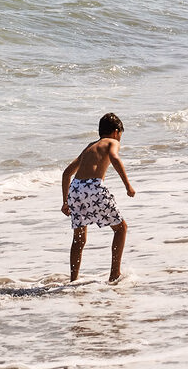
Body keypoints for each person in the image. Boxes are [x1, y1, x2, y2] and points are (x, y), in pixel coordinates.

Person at [60, 112, 136, 282]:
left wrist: (65, 202)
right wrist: (127, 185)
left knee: (79, 238)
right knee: (121, 228)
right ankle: (114, 274)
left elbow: (66, 174)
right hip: (93, 187)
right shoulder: (112, 142)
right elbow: (115, 158)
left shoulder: (89, 146)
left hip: (76, 189)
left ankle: (74, 279)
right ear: (116, 132)